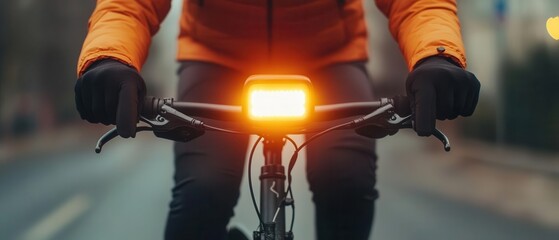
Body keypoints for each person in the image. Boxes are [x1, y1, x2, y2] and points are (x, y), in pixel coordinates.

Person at [74, 0, 480, 239]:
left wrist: (437, 55)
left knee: (348, 181)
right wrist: (109, 59)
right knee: (201, 195)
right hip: (217, 57)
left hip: (328, 57)